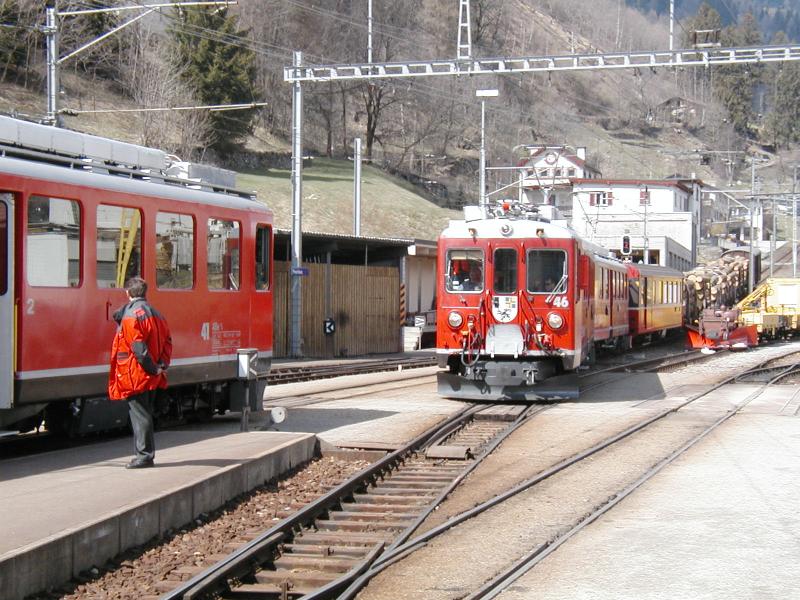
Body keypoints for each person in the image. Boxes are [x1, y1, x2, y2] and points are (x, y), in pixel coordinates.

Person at [108, 277, 172, 469]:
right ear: (144, 292)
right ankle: (144, 454)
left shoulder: (131, 316)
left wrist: (151, 367)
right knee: (144, 414)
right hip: (151, 373)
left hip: (135, 373)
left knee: (140, 415)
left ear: (128, 293)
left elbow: (137, 347)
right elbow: (167, 341)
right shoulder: (157, 314)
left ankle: (144, 456)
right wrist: (161, 365)